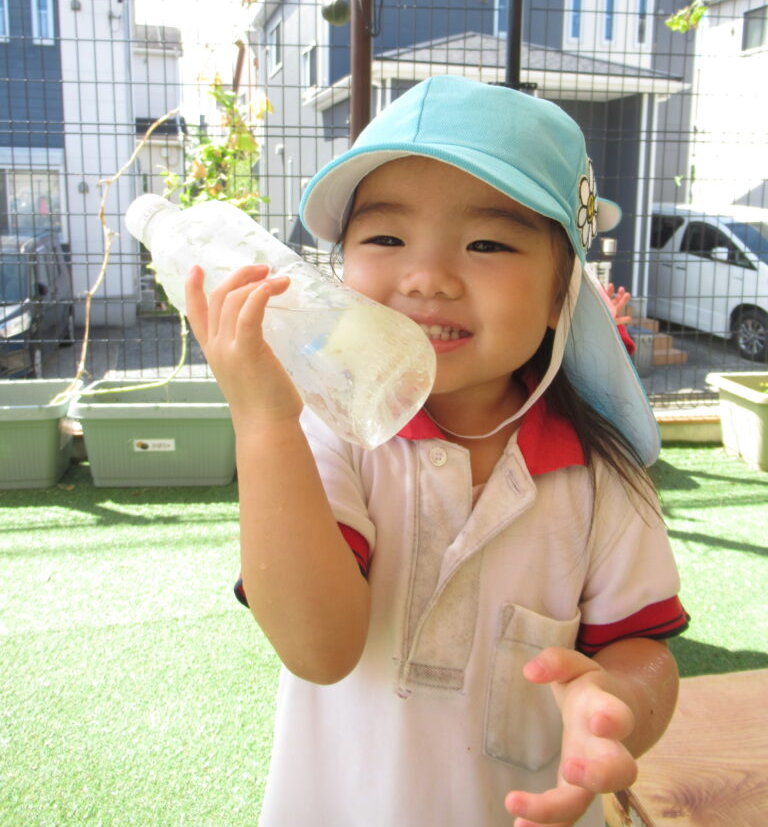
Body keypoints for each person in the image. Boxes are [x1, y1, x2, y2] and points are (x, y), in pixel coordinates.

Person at [185, 76, 688, 827]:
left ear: (562, 296)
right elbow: (317, 649)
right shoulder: (326, 435)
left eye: (487, 243)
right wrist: (263, 424)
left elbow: (641, 646)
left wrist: (617, 704)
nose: (426, 279)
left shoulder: (602, 476)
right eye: (385, 239)